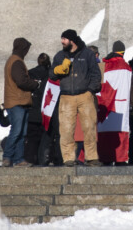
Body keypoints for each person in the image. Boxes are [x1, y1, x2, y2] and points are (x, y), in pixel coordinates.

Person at [51, 29, 102, 167]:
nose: (62, 42)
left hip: (85, 95)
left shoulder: (87, 54)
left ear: (71, 40)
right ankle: (68, 158)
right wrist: (59, 69)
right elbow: (52, 75)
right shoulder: (60, 56)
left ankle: (92, 157)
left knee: (89, 127)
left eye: (64, 39)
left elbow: (96, 74)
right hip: (66, 97)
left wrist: (90, 91)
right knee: (66, 129)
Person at [2, 37, 39, 167]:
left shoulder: (14, 60)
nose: (27, 52)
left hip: (20, 101)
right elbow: (21, 81)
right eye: (26, 49)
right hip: (17, 102)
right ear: (23, 49)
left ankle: (19, 159)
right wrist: (34, 84)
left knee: (22, 133)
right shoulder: (16, 62)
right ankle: (7, 156)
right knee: (17, 131)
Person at [97, 40, 133, 165]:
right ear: (123, 52)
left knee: (104, 131)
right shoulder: (127, 67)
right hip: (120, 105)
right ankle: (120, 158)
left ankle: (104, 157)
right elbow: (131, 89)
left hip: (104, 106)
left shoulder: (102, 66)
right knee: (120, 130)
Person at [25, 53, 62, 166]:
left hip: (32, 109)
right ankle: (49, 159)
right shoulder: (51, 74)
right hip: (47, 109)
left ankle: (32, 160)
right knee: (48, 135)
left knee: (32, 139)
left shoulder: (30, 73)